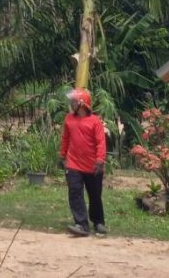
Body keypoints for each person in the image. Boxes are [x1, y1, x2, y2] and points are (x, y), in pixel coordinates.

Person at [60, 87, 107, 237]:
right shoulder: (69, 119)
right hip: (73, 163)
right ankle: (81, 224)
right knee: (75, 192)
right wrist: (63, 155)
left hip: (92, 165)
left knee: (95, 195)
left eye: (74, 101)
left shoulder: (95, 121)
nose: (72, 104)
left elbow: (101, 142)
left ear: (82, 103)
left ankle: (98, 221)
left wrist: (100, 160)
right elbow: (65, 138)